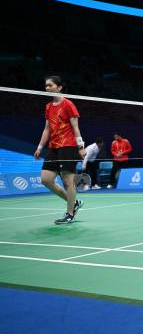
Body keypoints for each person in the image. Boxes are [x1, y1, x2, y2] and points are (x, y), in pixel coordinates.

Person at [34, 76, 86, 224]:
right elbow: (47, 128)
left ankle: (70, 214)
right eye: (46, 86)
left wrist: (80, 147)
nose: (47, 88)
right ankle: (74, 203)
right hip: (53, 147)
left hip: (68, 146)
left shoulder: (68, 104)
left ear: (59, 87)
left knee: (68, 181)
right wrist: (39, 147)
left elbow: (76, 127)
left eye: (50, 85)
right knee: (46, 179)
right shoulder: (48, 106)